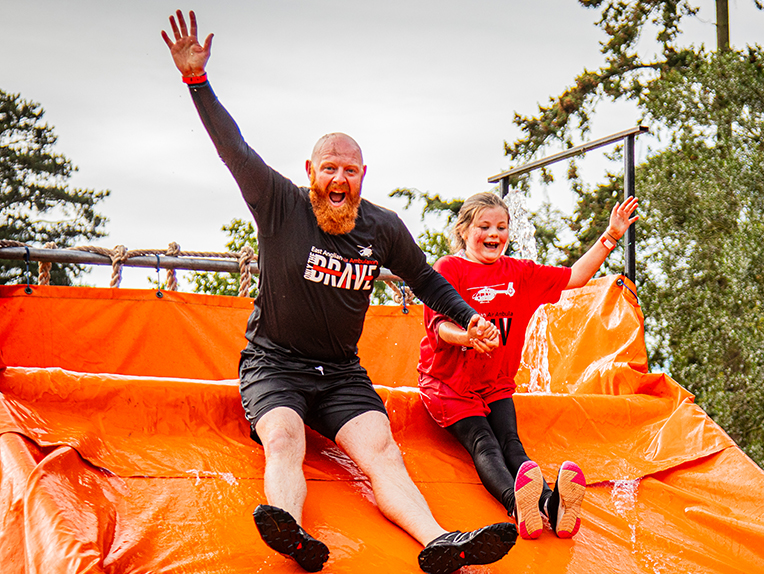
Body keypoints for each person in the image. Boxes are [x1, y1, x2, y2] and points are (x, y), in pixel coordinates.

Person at [161, 11, 514, 574]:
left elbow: (424, 278)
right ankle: (292, 532)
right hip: (274, 364)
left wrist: (467, 315)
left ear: (363, 176)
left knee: (383, 454)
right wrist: (197, 82)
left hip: (341, 373)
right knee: (282, 437)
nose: (339, 180)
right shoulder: (280, 204)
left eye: (349, 171)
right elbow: (235, 151)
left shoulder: (382, 226)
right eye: (329, 168)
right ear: (311, 171)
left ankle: (440, 542)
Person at [417, 191, 639, 539]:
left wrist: (610, 236)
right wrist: (467, 337)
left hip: (494, 382)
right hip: (450, 384)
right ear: (464, 230)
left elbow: (574, 277)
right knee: (484, 443)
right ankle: (518, 506)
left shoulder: (518, 272)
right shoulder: (450, 268)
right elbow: (439, 327)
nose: (494, 234)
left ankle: (551, 505)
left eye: (502, 227)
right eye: (484, 226)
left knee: (512, 444)